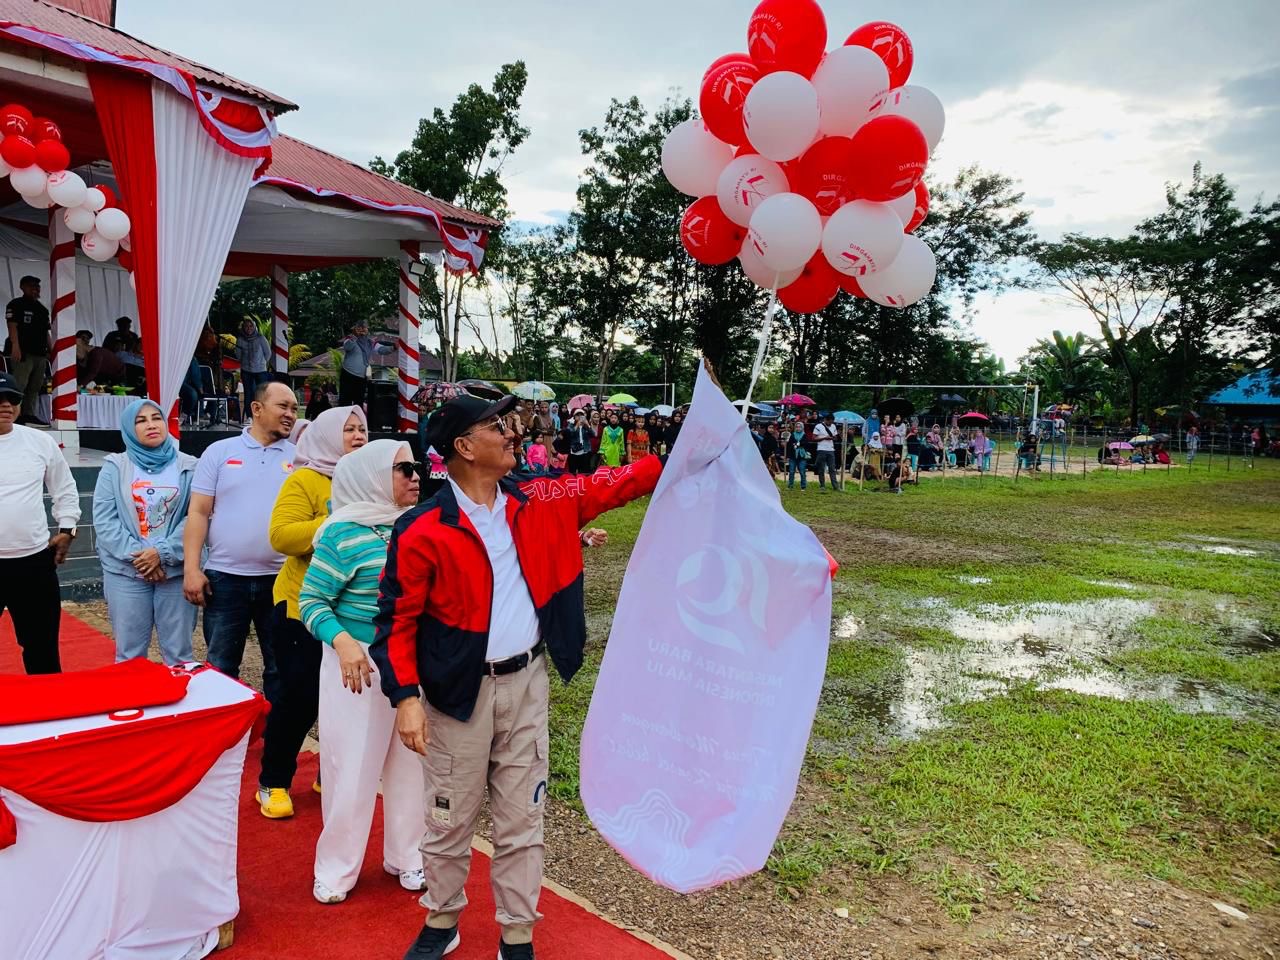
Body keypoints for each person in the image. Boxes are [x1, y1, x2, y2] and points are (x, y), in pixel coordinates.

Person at [369, 393, 662, 960]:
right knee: (449, 817)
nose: (511, 433)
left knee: (521, 815)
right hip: (458, 694)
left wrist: (674, 460)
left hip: (527, 681)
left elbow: (611, 484)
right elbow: (396, 619)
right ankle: (443, 919)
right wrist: (405, 696)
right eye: (495, 426)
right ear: (462, 447)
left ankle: (517, 932)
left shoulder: (538, 496)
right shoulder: (423, 527)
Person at [300, 439, 426, 904]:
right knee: (350, 768)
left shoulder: (417, 525)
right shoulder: (341, 533)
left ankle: (409, 856)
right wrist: (344, 642)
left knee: (413, 767)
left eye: (415, 468)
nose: (415, 477)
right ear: (371, 477)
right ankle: (336, 869)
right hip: (359, 667)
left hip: (411, 663)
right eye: (403, 470)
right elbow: (311, 601)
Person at [256, 405, 368, 819]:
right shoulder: (305, 479)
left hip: (352, 610)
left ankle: (329, 773)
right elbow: (281, 536)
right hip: (301, 606)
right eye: (348, 430)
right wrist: (333, 523)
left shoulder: (369, 480)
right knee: (299, 697)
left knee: (345, 699)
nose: (358, 436)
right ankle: (274, 781)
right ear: (324, 436)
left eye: (362, 429)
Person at [183, 381, 297, 693]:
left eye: (294, 409)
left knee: (280, 667)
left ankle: (273, 738)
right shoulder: (219, 452)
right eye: (283, 407)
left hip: (282, 581)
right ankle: (226, 738)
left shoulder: (300, 459)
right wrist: (192, 569)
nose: (290, 415)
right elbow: (198, 513)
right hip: (225, 579)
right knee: (221, 666)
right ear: (256, 409)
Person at [92, 399, 198, 665]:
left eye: (156, 418)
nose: (151, 425)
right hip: (127, 573)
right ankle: (133, 706)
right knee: (129, 655)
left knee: (179, 655)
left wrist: (161, 554)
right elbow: (105, 521)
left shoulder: (189, 466)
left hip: (174, 571)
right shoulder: (115, 467)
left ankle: (179, 705)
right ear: (129, 428)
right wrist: (141, 558)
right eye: (141, 421)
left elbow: (197, 517)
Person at [0, 372, 78, 672]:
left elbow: (65, 488)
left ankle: (50, 714)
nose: (6, 405)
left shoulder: (39, 442)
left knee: (41, 647)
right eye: (0, 399)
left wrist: (67, 528)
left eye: (13, 399)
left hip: (32, 562)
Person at [5, 276, 51, 425]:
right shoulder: (16, 304)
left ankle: (29, 414)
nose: (35, 289)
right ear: (22, 287)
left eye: (37, 286)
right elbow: (12, 326)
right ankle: (14, 415)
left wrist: (51, 350)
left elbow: (46, 332)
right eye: (32, 286)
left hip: (40, 353)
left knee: (36, 385)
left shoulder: (42, 309)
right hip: (23, 352)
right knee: (20, 384)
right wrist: (15, 347)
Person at [338, 320, 394, 407]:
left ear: (368, 329)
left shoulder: (370, 343)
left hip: (361, 377)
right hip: (348, 375)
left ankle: (356, 420)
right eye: (360, 327)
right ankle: (344, 420)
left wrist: (393, 347)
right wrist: (355, 336)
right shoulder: (350, 338)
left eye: (365, 327)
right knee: (344, 402)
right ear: (356, 329)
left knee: (358, 403)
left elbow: (381, 350)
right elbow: (347, 347)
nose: (363, 329)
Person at [235, 319, 272, 404]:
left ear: (254, 327)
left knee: (261, 394)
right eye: (246, 326)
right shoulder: (240, 339)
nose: (249, 328)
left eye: (251, 326)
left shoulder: (261, 338)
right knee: (248, 394)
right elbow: (238, 355)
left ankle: (262, 415)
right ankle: (249, 416)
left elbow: (268, 353)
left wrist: (261, 363)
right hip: (246, 370)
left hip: (261, 371)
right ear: (243, 328)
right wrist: (245, 363)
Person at [810, 413, 838, 490]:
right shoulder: (818, 426)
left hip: (831, 449)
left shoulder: (833, 426)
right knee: (821, 468)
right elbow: (813, 438)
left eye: (832, 422)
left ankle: (835, 486)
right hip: (821, 449)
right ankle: (822, 485)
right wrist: (824, 438)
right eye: (829, 422)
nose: (830, 423)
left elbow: (835, 437)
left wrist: (832, 438)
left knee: (832, 468)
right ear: (825, 420)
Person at [563, 410, 595, 474]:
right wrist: (577, 425)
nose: (580, 417)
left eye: (581, 415)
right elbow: (569, 434)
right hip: (574, 452)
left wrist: (587, 424)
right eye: (577, 415)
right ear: (574, 417)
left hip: (585, 451)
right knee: (572, 472)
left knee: (584, 472)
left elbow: (593, 434)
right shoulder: (571, 425)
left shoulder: (586, 426)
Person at [785, 421, 809, 489]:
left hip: (802, 456)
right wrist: (787, 456)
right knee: (791, 471)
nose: (798, 428)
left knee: (802, 471)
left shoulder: (804, 435)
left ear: (802, 428)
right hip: (793, 456)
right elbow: (789, 445)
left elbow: (806, 444)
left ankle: (803, 486)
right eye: (797, 427)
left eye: (800, 427)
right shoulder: (792, 435)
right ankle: (790, 486)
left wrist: (797, 444)